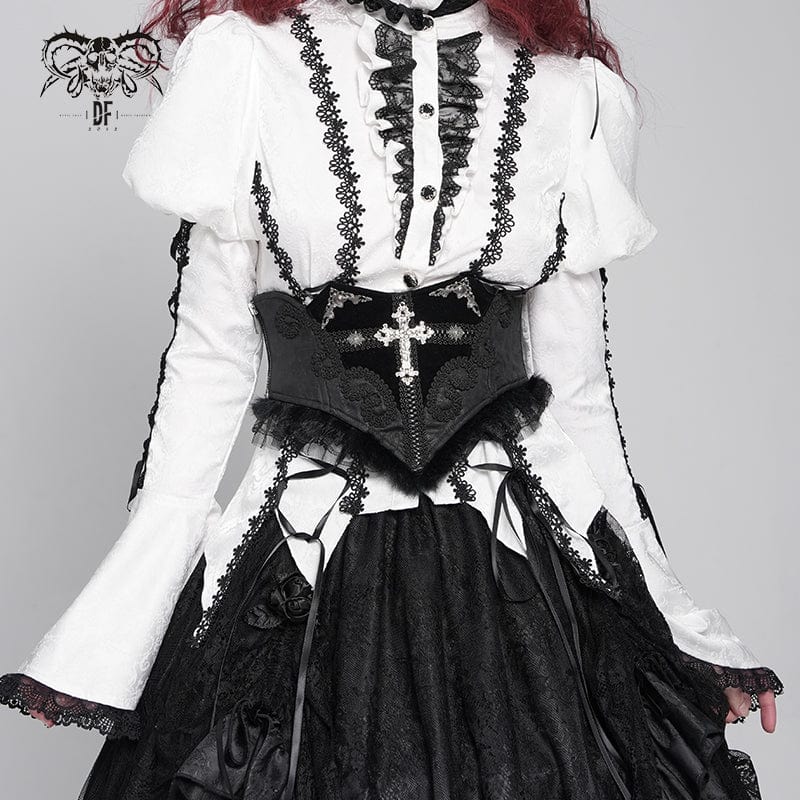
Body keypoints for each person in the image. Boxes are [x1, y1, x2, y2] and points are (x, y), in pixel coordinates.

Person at [0, 0, 784, 797]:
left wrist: (683, 633)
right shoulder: (247, 64)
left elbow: (579, 400)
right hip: (310, 556)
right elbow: (207, 370)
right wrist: (103, 642)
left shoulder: (564, 89)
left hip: (512, 571)